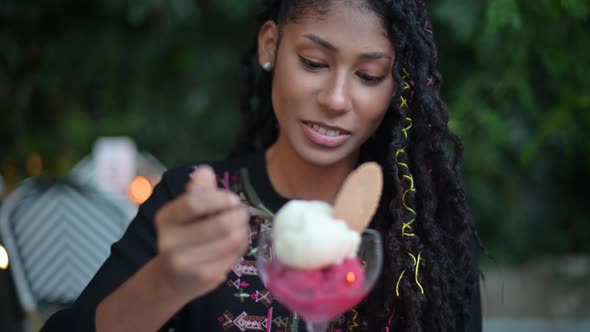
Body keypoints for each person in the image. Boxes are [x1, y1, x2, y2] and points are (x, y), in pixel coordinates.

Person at [41, 0, 482, 331]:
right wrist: (166, 282)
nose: (335, 99)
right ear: (271, 45)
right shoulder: (196, 204)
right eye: (314, 63)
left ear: (395, 86)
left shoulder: (424, 233)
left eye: (368, 76)